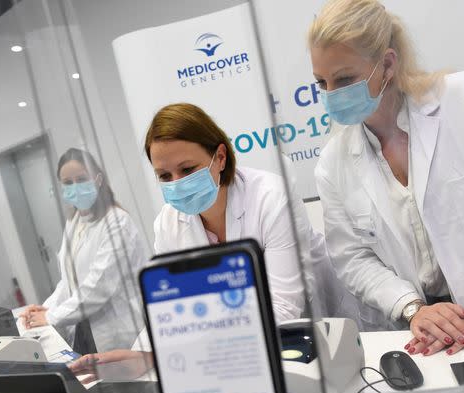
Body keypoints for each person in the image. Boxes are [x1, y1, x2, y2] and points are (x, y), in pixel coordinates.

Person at [308, 0, 464, 356]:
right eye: (321, 83)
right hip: (417, 331)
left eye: (344, 79)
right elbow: (353, 258)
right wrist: (413, 308)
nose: (331, 95)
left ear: (387, 64)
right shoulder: (333, 162)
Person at [68, 103, 345, 377]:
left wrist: (185, 349)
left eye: (187, 170)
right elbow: (169, 309)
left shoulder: (270, 197)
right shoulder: (168, 224)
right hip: (230, 356)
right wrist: (140, 353)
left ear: (220, 157)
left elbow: (282, 306)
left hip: (307, 339)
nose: (176, 182)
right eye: (165, 176)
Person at [20, 148, 148, 354]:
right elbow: (68, 280)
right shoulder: (75, 221)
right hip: (83, 326)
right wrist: (46, 308)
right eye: (68, 183)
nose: (75, 187)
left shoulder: (117, 222)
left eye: (81, 179)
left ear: (98, 180)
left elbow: (98, 286)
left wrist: (52, 316)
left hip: (117, 332)